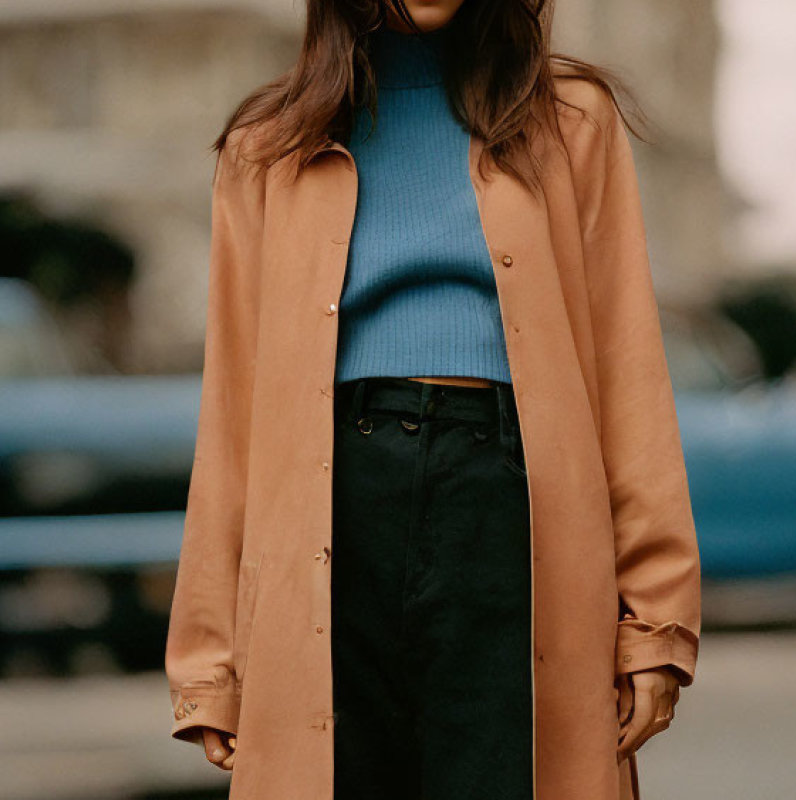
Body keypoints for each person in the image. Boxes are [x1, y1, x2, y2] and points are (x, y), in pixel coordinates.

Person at [164, 2, 702, 799]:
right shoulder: (265, 147)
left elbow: (628, 373)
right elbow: (233, 411)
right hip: (331, 513)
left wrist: (656, 622)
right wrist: (210, 657)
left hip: (508, 512)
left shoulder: (569, 123)